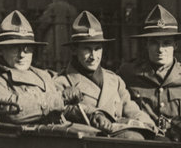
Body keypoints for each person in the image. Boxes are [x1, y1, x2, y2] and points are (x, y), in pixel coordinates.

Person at [56, 11, 156, 139]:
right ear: (75, 50)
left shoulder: (114, 80)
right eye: (87, 49)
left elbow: (130, 108)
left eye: (97, 48)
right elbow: (61, 112)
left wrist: (151, 127)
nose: (93, 56)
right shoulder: (62, 82)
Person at [120, 4, 181, 130]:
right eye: (154, 43)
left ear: (175, 45)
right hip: (145, 140)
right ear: (146, 45)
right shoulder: (128, 73)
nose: (160, 50)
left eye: (166, 43)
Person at [0, 10, 65, 125]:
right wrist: (58, 99)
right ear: (0, 51)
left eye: (27, 48)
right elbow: (12, 110)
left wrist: (94, 113)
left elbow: (65, 105)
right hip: (28, 139)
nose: (22, 54)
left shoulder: (43, 75)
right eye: (15, 47)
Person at [35, 0, 78, 67]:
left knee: (52, 63)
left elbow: (43, 25)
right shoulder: (72, 9)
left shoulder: (52, 7)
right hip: (68, 42)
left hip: (53, 42)